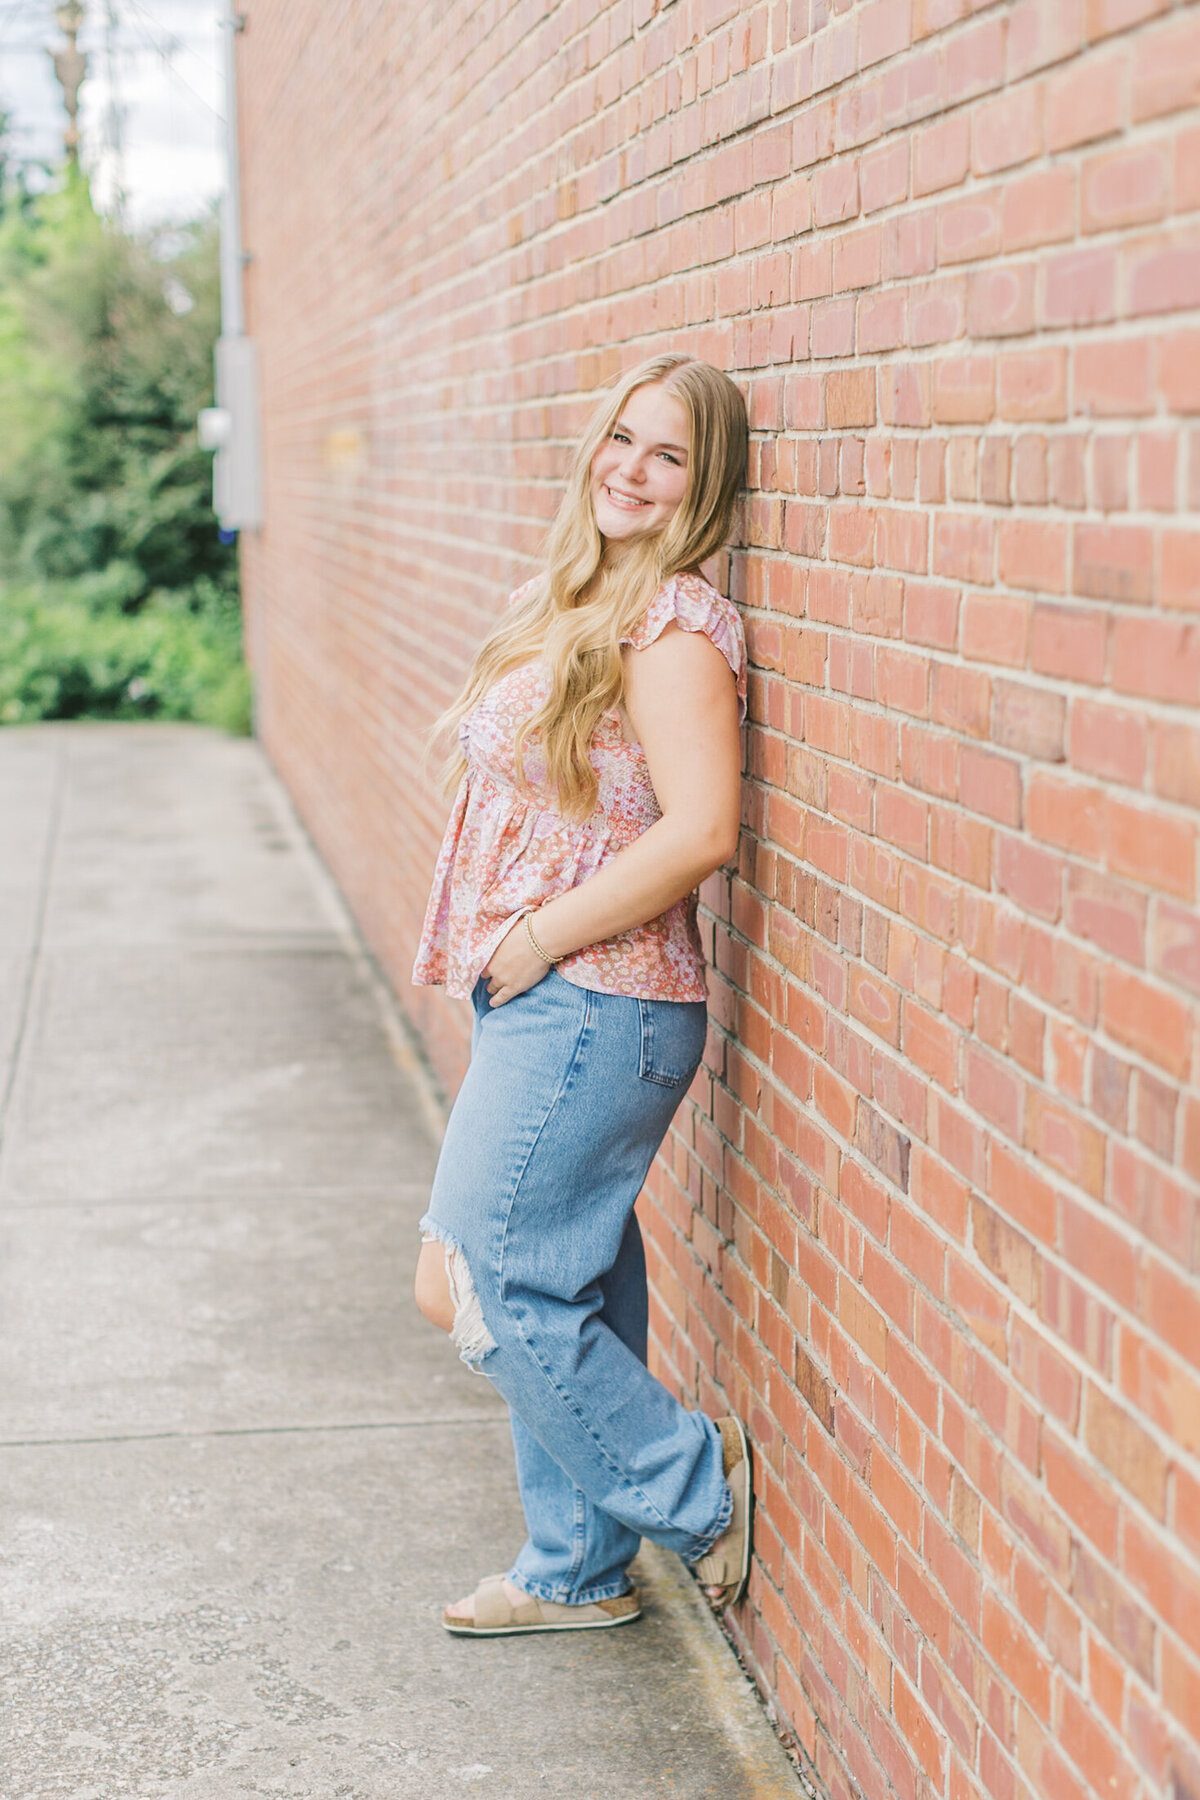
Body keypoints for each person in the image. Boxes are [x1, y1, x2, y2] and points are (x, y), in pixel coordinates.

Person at [411, 350, 753, 1637]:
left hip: (600, 995)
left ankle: (697, 1488)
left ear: (703, 482)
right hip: (556, 998)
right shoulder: (585, 598)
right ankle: (575, 1566)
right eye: (623, 439)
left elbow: (702, 829)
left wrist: (539, 937)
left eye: (668, 455)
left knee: (477, 1286)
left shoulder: (671, 626)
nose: (632, 470)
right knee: (568, 1278)